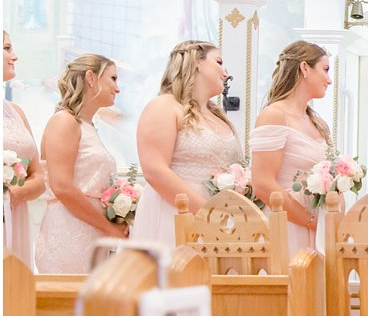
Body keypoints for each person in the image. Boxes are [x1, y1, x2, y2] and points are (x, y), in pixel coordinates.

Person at [133, 42, 242, 248]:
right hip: (173, 212)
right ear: (196, 63)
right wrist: (209, 214)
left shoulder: (217, 115)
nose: (225, 73)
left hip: (219, 216)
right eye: (219, 62)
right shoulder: (164, 105)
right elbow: (155, 171)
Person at [35, 55, 126, 272]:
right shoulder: (64, 121)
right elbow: (62, 187)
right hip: (70, 233)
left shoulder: (89, 127)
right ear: (91, 78)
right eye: (113, 78)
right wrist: (109, 228)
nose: (117, 88)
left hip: (91, 232)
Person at [251, 41, 331, 256]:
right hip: (288, 223)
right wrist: (310, 221)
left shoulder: (316, 122)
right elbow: (262, 183)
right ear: (305, 68)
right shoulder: (274, 115)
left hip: (318, 222)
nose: (329, 80)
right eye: (325, 70)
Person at [3, 31, 47, 265]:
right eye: (7, 48)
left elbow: (39, 176)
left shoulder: (16, 112)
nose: (15, 56)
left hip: (16, 217)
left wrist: (17, 193)